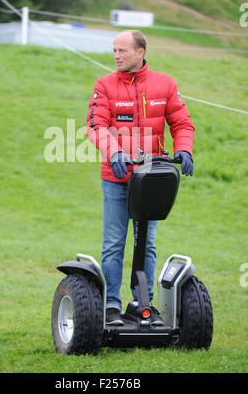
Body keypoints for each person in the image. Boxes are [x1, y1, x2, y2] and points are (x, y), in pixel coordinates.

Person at [87, 30, 195, 325]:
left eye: (122, 50)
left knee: (146, 243)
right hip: (117, 178)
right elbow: (95, 126)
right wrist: (115, 152)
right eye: (114, 50)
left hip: (151, 180)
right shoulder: (104, 85)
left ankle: (141, 302)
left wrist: (184, 149)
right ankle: (110, 306)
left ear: (140, 52)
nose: (116, 56)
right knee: (113, 243)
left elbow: (182, 123)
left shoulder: (165, 84)